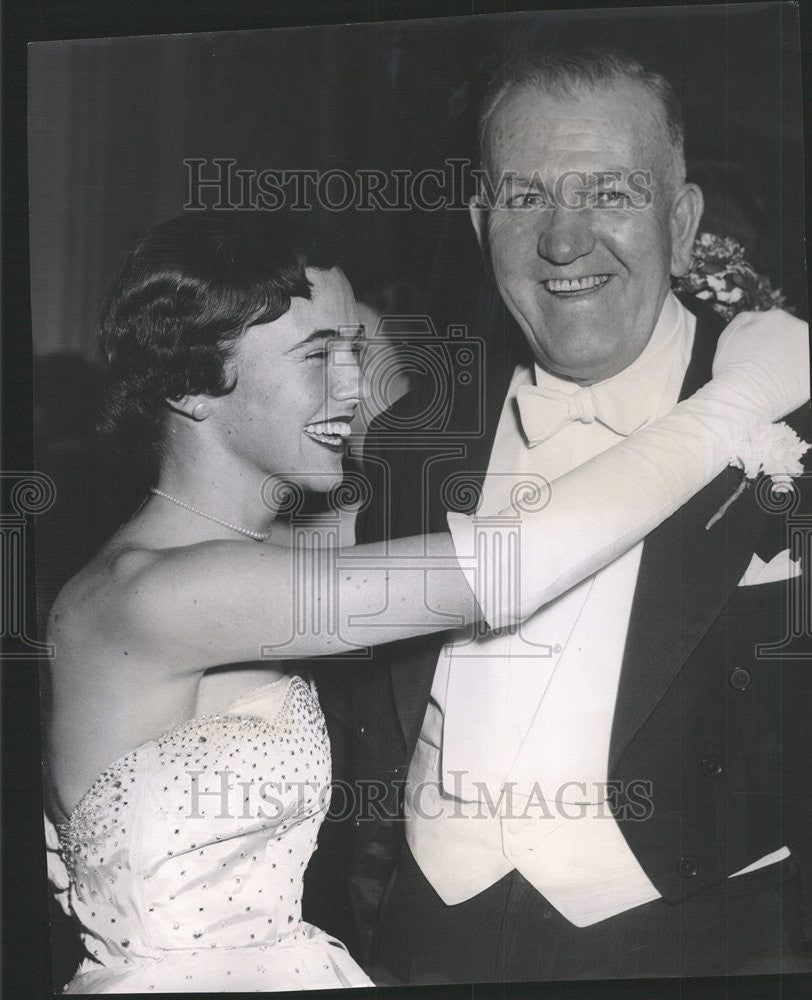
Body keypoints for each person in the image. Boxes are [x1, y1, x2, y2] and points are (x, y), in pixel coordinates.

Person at [42, 210, 804, 993]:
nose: (354, 385)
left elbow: (419, 453)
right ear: (187, 385)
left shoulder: (272, 551)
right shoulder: (158, 594)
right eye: (319, 355)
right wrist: (738, 400)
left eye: (356, 348)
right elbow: (516, 561)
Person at [344, 46, 812, 983]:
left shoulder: (789, 404)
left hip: (716, 949)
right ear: (481, 224)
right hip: (425, 946)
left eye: (608, 193)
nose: (564, 240)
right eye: (524, 198)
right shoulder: (411, 440)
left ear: (680, 225)